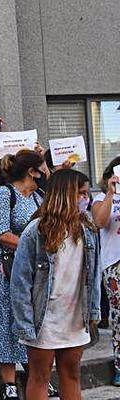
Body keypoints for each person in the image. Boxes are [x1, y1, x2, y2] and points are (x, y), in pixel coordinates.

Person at [11, 168, 110, 400]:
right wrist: (25, 322)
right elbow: (20, 281)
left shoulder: (88, 230)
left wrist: (92, 314)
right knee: (39, 376)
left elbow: (92, 276)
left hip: (75, 316)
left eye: (86, 193)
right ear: (64, 194)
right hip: (44, 318)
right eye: (80, 193)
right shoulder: (36, 231)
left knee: (72, 374)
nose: (85, 199)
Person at [0, 150, 48, 400]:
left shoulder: (39, 196)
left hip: (32, 267)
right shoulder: (3, 194)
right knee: (4, 316)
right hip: (3, 265)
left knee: (31, 316)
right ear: (32, 171)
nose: (44, 172)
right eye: (42, 167)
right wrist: (32, 246)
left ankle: (36, 377)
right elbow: (0, 233)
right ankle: (9, 383)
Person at [91, 156, 120, 387]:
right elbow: (99, 222)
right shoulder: (101, 198)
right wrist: (111, 193)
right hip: (115, 264)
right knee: (119, 317)